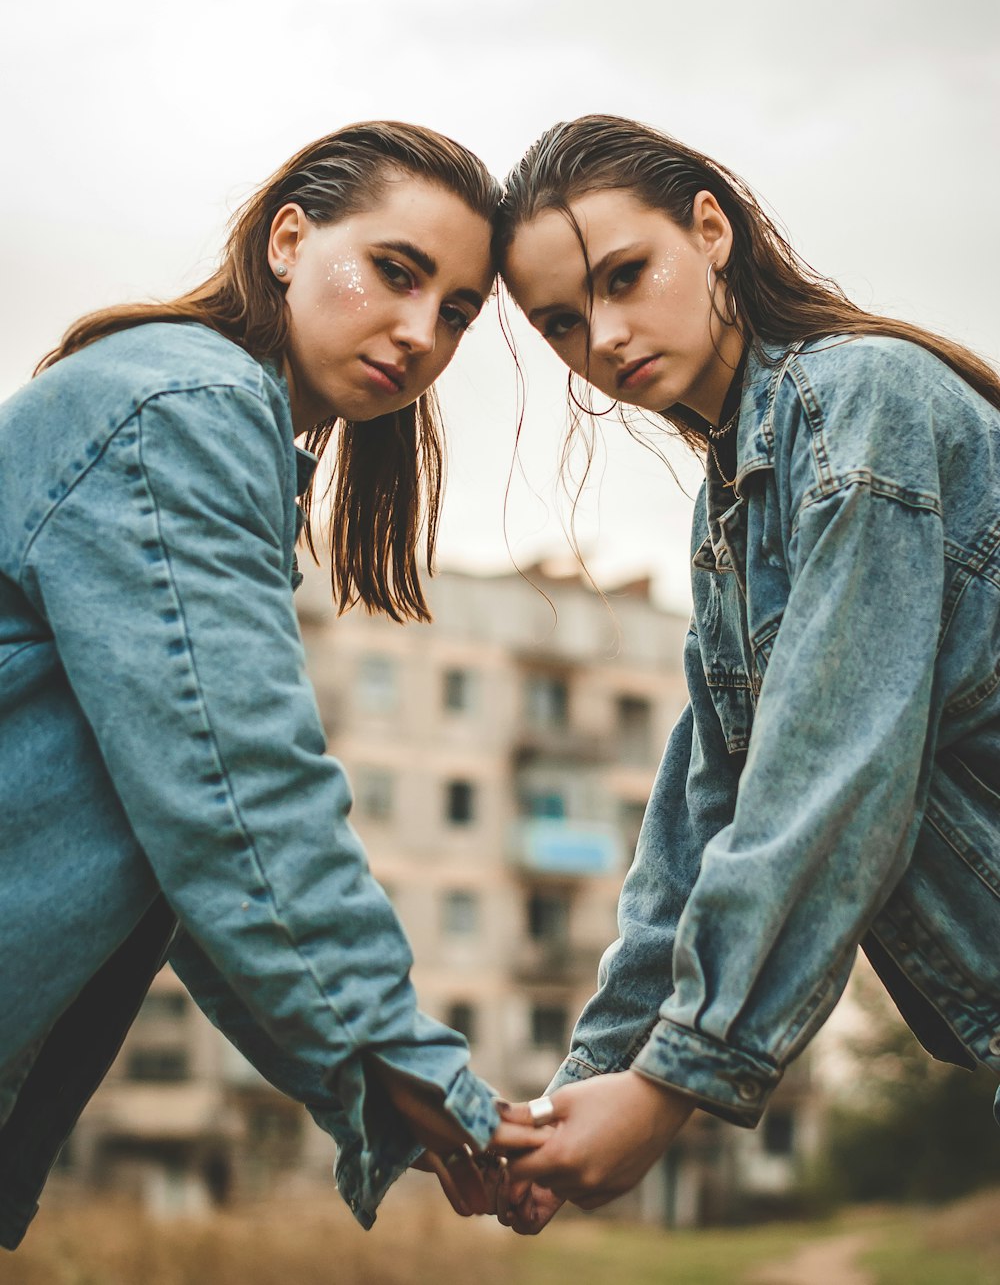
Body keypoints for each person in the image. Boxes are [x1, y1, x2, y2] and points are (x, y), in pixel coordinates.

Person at [0, 121, 509, 1249]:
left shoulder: (200, 422)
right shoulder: (190, 406)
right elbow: (242, 793)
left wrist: (375, 1086)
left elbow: (194, 859)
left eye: (459, 310)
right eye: (395, 270)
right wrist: (403, 1055)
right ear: (288, 238)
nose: (421, 332)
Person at [487, 114, 1000, 1231]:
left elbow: (832, 775)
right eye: (564, 323)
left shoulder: (858, 405)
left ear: (710, 229)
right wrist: (578, 1095)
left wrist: (674, 1083)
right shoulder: (731, 518)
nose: (607, 338)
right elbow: (698, 822)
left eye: (627, 277)